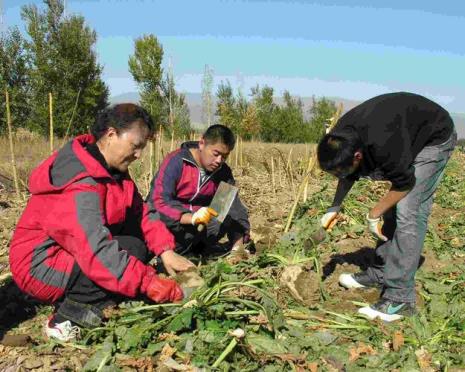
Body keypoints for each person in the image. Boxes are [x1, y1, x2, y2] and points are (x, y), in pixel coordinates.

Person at [9, 104, 183, 342]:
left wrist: (166, 251)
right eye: (135, 146)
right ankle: (65, 319)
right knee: (128, 254)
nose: (139, 155)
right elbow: (96, 250)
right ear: (111, 135)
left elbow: (141, 212)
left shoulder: (113, 170)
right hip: (40, 265)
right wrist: (148, 281)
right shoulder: (80, 180)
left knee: (135, 246)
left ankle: (92, 294)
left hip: (72, 250)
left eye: (143, 147)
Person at [317, 92, 457, 322]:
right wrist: (335, 205)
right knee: (395, 206)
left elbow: (405, 183)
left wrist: (374, 214)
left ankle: (400, 299)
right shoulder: (340, 139)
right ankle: (381, 272)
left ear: (358, 156)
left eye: (341, 171)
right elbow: (347, 173)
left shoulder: (382, 142)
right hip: (404, 133)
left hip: (433, 137)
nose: (339, 176)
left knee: (409, 211)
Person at [145, 124, 251, 276]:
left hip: (202, 232)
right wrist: (191, 216)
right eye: (216, 153)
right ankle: (168, 256)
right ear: (202, 143)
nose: (219, 160)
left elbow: (232, 207)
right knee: (154, 216)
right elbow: (157, 202)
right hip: (171, 230)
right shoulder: (177, 162)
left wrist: (238, 246)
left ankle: (203, 251)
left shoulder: (223, 172)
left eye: (225, 156)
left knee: (228, 209)